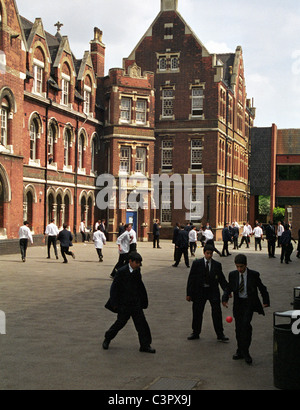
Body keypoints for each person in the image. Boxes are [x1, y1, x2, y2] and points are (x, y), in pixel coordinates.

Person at [103, 252, 155, 354]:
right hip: (124, 304)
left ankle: (145, 345)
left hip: (135, 303)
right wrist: (114, 303)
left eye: (140, 263)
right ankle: (107, 338)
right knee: (120, 323)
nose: (139, 265)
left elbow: (139, 285)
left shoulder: (137, 270)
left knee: (142, 325)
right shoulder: (121, 271)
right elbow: (114, 288)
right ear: (130, 261)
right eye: (137, 262)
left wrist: (142, 300)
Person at [222, 254, 270, 365]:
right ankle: (240, 350)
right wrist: (225, 299)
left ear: (246, 265)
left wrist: (266, 301)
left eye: (241, 267)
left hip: (249, 303)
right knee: (238, 328)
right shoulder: (233, 275)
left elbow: (262, 288)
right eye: (237, 267)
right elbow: (228, 288)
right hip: (238, 304)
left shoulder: (254, 275)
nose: (239, 269)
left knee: (246, 326)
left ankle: (246, 351)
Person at [186, 244, 229, 343]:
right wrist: (189, 293)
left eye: (211, 253)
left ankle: (220, 334)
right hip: (199, 291)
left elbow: (221, 279)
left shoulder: (217, 265)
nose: (209, 255)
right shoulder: (197, 263)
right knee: (197, 312)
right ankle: (195, 332)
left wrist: (227, 290)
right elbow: (191, 279)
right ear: (204, 253)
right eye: (207, 253)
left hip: (212, 291)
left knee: (216, 312)